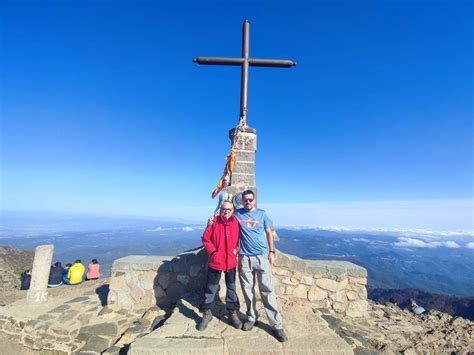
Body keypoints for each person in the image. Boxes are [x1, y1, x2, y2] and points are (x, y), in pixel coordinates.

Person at [211, 190, 288, 342]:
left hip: (261, 256)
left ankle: (276, 325)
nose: (248, 202)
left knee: (267, 290)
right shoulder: (237, 214)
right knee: (247, 290)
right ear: (242, 201)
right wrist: (211, 219)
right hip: (244, 257)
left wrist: (272, 251)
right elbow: (224, 216)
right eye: (245, 200)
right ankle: (251, 317)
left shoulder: (262, 214)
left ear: (254, 200)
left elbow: (269, 232)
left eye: (250, 200)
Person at [198, 201, 242, 331]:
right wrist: (213, 252)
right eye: (224, 209)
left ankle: (232, 312)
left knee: (232, 288)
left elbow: (241, 238)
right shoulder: (214, 222)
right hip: (216, 261)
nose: (226, 211)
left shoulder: (236, 223)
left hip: (231, 262)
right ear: (220, 210)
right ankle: (206, 313)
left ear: (232, 211)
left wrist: (237, 249)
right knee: (211, 288)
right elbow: (206, 238)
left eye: (229, 209)